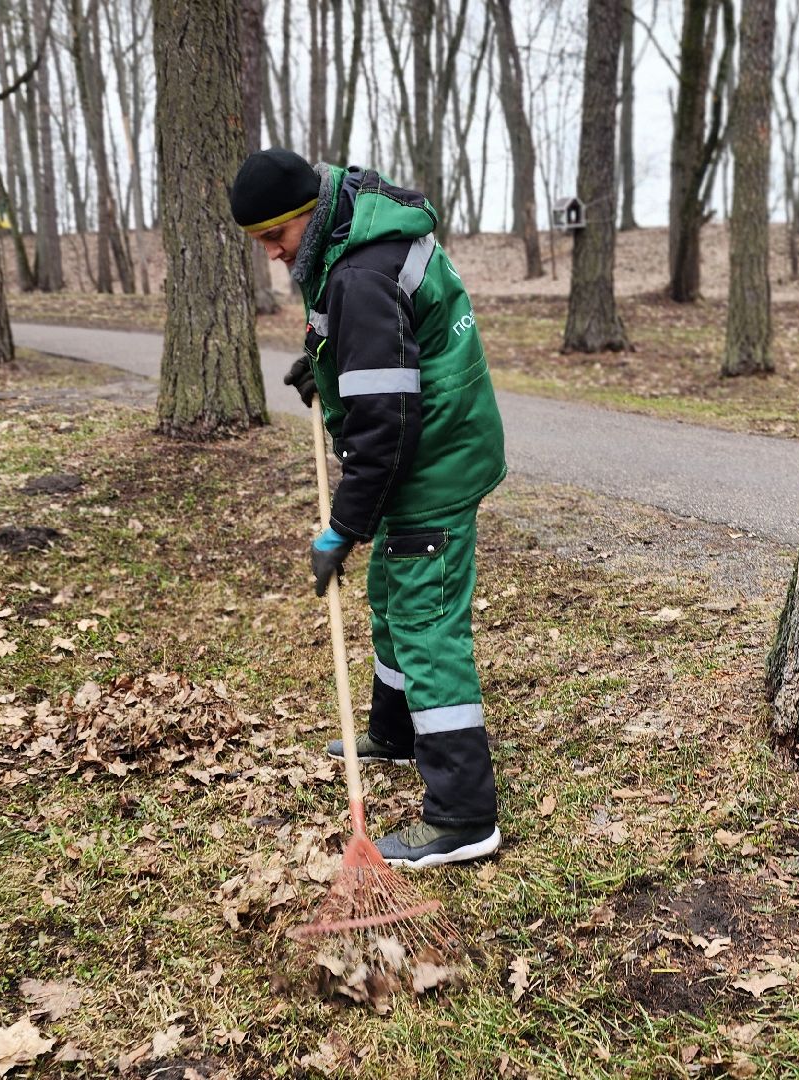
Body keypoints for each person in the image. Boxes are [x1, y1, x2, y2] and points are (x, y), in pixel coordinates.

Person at [231, 147, 504, 868]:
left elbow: (385, 426)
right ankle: (395, 732)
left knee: (424, 622)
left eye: (274, 238)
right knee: (393, 591)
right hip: (433, 442)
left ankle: (463, 816)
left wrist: (341, 531)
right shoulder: (352, 226)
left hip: (433, 459)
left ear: (303, 215)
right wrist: (322, 359)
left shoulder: (359, 268)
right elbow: (368, 338)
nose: (273, 255)